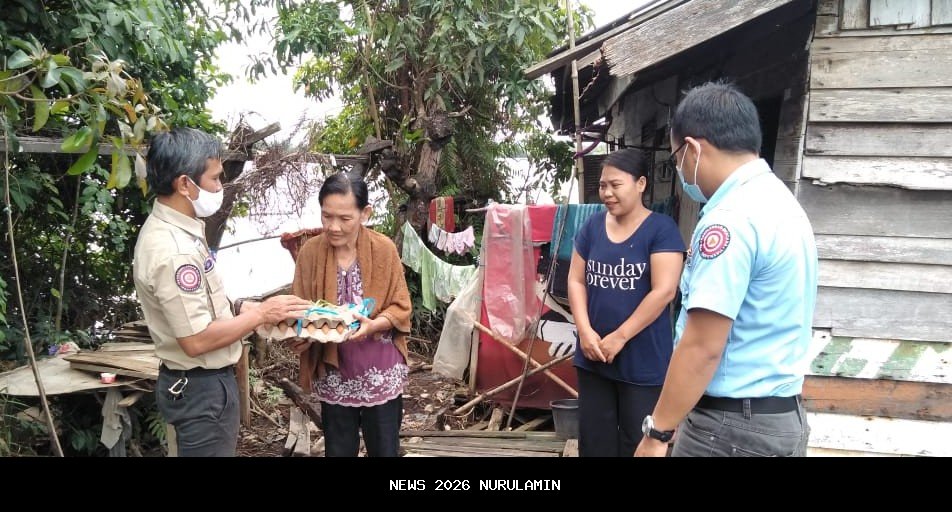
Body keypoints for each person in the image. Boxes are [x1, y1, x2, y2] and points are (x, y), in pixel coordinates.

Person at [634, 82, 818, 457]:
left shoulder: (729, 219)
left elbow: (702, 346)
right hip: (781, 418)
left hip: (731, 430)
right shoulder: (783, 204)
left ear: (694, 149)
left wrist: (658, 432)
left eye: (676, 160)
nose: (682, 173)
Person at [133, 127, 311, 457]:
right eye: (215, 179)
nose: (220, 187)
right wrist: (262, 313)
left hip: (199, 385)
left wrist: (243, 307)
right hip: (202, 389)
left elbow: (200, 303)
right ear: (184, 184)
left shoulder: (177, 231)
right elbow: (197, 339)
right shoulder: (175, 251)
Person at [567, 148, 685, 457]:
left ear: (641, 184)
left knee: (639, 444)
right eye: (603, 185)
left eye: (615, 185)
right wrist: (584, 331)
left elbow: (664, 291)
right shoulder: (591, 227)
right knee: (595, 444)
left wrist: (620, 337)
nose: (606, 192)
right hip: (593, 359)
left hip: (643, 363)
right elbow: (576, 280)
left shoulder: (662, 230)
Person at [289, 171, 412, 457]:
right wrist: (300, 334)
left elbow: (401, 306)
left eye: (345, 218)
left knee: (384, 449)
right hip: (335, 373)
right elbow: (299, 310)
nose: (334, 227)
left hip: (380, 373)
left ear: (364, 213)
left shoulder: (383, 249)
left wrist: (374, 325)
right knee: (339, 449)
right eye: (326, 216)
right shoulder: (309, 252)